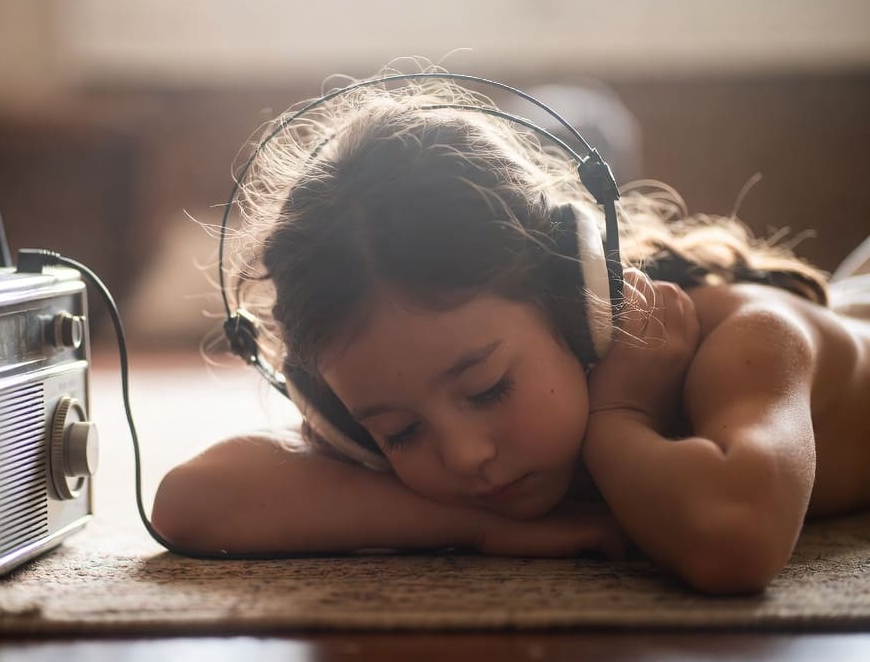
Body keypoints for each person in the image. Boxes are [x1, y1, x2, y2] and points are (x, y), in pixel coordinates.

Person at [149, 73, 870, 594]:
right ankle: (579, 118)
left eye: (488, 389)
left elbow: (734, 540)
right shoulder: (430, 393)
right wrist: (478, 527)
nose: (466, 458)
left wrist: (618, 420)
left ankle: (583, 116)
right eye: (398, 433)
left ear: (576, 300)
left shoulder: (746, 338)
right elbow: (192, 502)